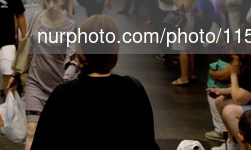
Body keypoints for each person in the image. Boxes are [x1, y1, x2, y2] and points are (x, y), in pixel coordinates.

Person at [31, 14, 159, 149]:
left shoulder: (63, 94)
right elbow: (147, 143)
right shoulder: (132, 90)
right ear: (115, 49)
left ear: (81, 50)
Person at [8, 0, 77, 149]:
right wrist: (16, 74)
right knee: (31, 130)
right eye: (48, 1)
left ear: (63, 1)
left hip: (60, 85)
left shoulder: (70, 26)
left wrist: (66, 80)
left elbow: (74, 59)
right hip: (35, 83)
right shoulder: (36, 19)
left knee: (57, 133)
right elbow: (26, 49)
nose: (51, 5)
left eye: (55, 1)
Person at [165, 0, 197, 85]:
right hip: (187, 20)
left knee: (182, 48)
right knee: (188, 48)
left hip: (184, 21)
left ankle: (184, 77)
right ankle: (191, 73)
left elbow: (184, 7)